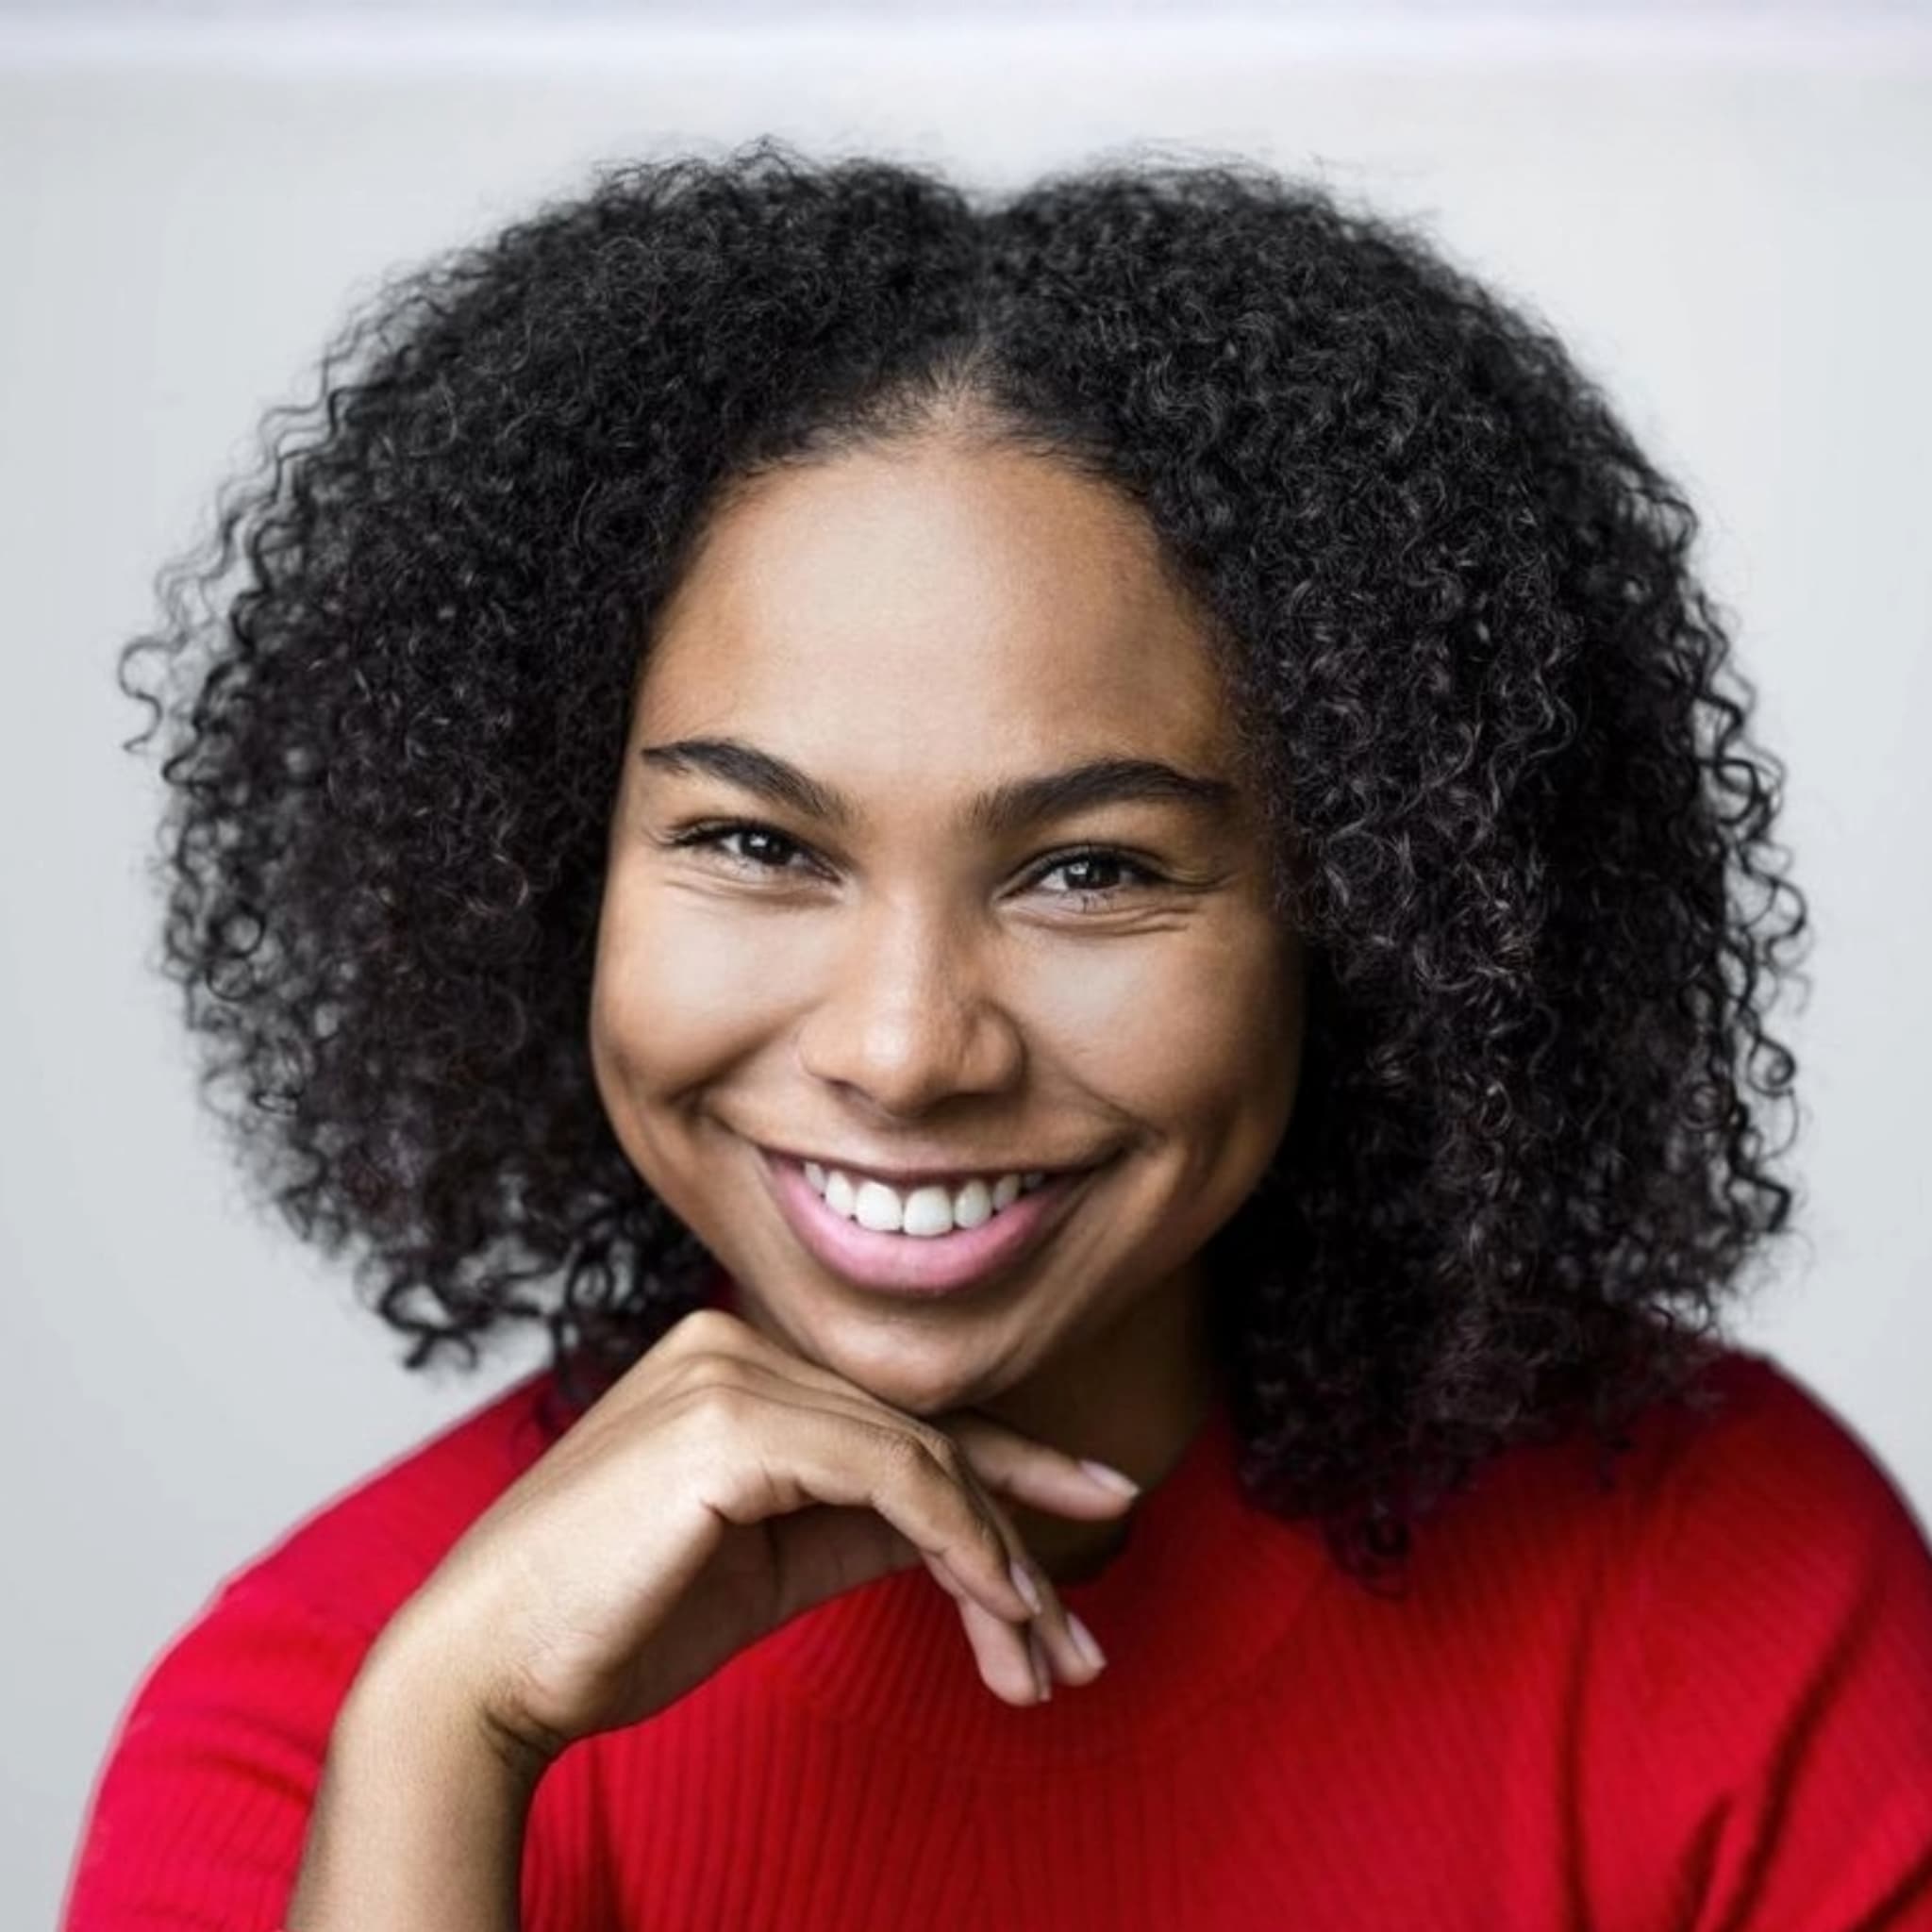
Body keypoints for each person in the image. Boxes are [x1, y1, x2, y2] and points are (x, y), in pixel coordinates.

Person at [58, 137, 1932, 1931]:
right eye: (756, 843)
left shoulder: (1729, 1594)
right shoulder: (339, 1712)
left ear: (1373, 912)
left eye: (1092, 871)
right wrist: (444, 1755)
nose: (902, 1049)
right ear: (553, 869)